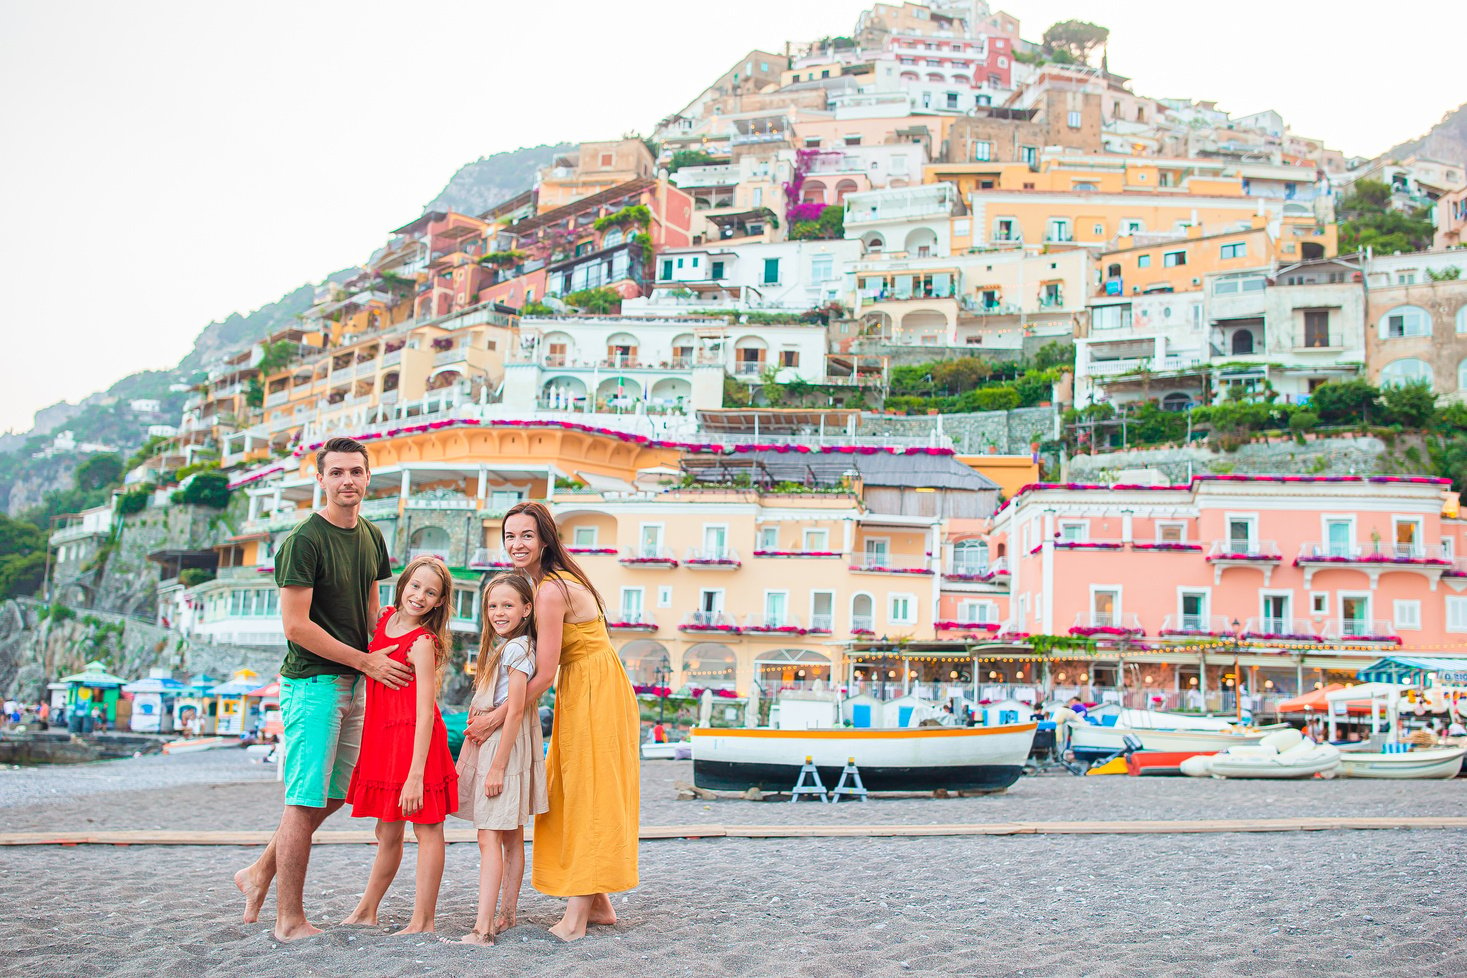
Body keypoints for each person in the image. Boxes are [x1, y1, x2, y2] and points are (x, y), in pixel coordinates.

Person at [232, 436, 409, 942]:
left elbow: (375, 612)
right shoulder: (304, 540)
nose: (347, 481)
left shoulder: (372, 535)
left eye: (356, 472)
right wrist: (365, 662)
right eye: (337, 473)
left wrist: (398, 655)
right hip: (313, 682)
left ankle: (261, 870)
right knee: (302, 797)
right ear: (321, 479)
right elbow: (296, 626)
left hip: (359, 681)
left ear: (368, 476)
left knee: (339, 792)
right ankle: (289, 921)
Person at [465, 501, 638, 942]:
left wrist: (495, 720)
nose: (516, 544)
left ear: (544, 538)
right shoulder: (550, 581)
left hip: (592, 688)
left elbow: (541, 674)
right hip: (590, 682)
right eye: (509, 536)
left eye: (526, 535)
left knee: (587, 793)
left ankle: (576, 918)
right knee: (580, 786)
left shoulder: (548, 590)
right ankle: (599, 905)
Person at [340, 555, 459, 933]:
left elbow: (426, 713)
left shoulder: (423, 642)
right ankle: (366, 910)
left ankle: (423, 920)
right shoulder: (383, 619)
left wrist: (415, 775)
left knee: (427, 828)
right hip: (381, 740)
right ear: (403, 584)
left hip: (416, 745)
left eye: (431, 592)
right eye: (415, 586)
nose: (420, 596)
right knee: (387, 831)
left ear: (439, 602)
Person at [454, 574, 548, 945]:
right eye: (493, 606)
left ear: (527, 609)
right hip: (510, 744)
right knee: (511, 837)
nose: (498, 612)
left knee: (488, 836)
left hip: (500, 747)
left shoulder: (514, 650)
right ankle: (506, 913)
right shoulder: (519, 646)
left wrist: (496, 766)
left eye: (507, 605)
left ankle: (482, 928)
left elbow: (514, 710)